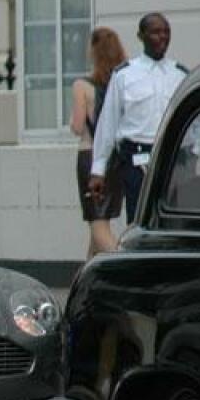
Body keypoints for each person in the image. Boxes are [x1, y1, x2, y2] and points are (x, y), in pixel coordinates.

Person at [89, 12, 187, 223]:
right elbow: (108, 123)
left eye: (166, 32)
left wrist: (194, 151)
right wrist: (98, 169)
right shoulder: (125, 74)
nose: (162, 37)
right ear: (141, 36)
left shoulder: (179, 73)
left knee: (170, 219)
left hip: (171, 155)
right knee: (139, 218)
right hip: (136, 157)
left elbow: (196, 123)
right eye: (156, 32)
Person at [69, 27, 127, 258]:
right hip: (115, 158)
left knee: (98, 224)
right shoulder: (122, 81)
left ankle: (125, 266)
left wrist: (72, 119)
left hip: (90, 156)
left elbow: (77, 126)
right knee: (99, 224)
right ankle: (87, 282)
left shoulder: (82, 86)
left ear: (94, 51)